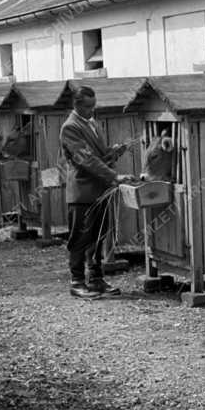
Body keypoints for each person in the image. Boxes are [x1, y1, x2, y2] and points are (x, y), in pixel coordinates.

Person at [59, 85, 134, 298]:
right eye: (88, 107)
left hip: (99, 191)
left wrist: (113, 152)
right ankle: (77, 281)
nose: (93, 110)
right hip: (82, 193)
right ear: (77, 105)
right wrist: (114, 176)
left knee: (98, 236)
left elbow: (98, 156)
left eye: (94, 105)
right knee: (80, 237)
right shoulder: (70, 127)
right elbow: (85, 160)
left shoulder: (92, 124)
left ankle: (96, 279)